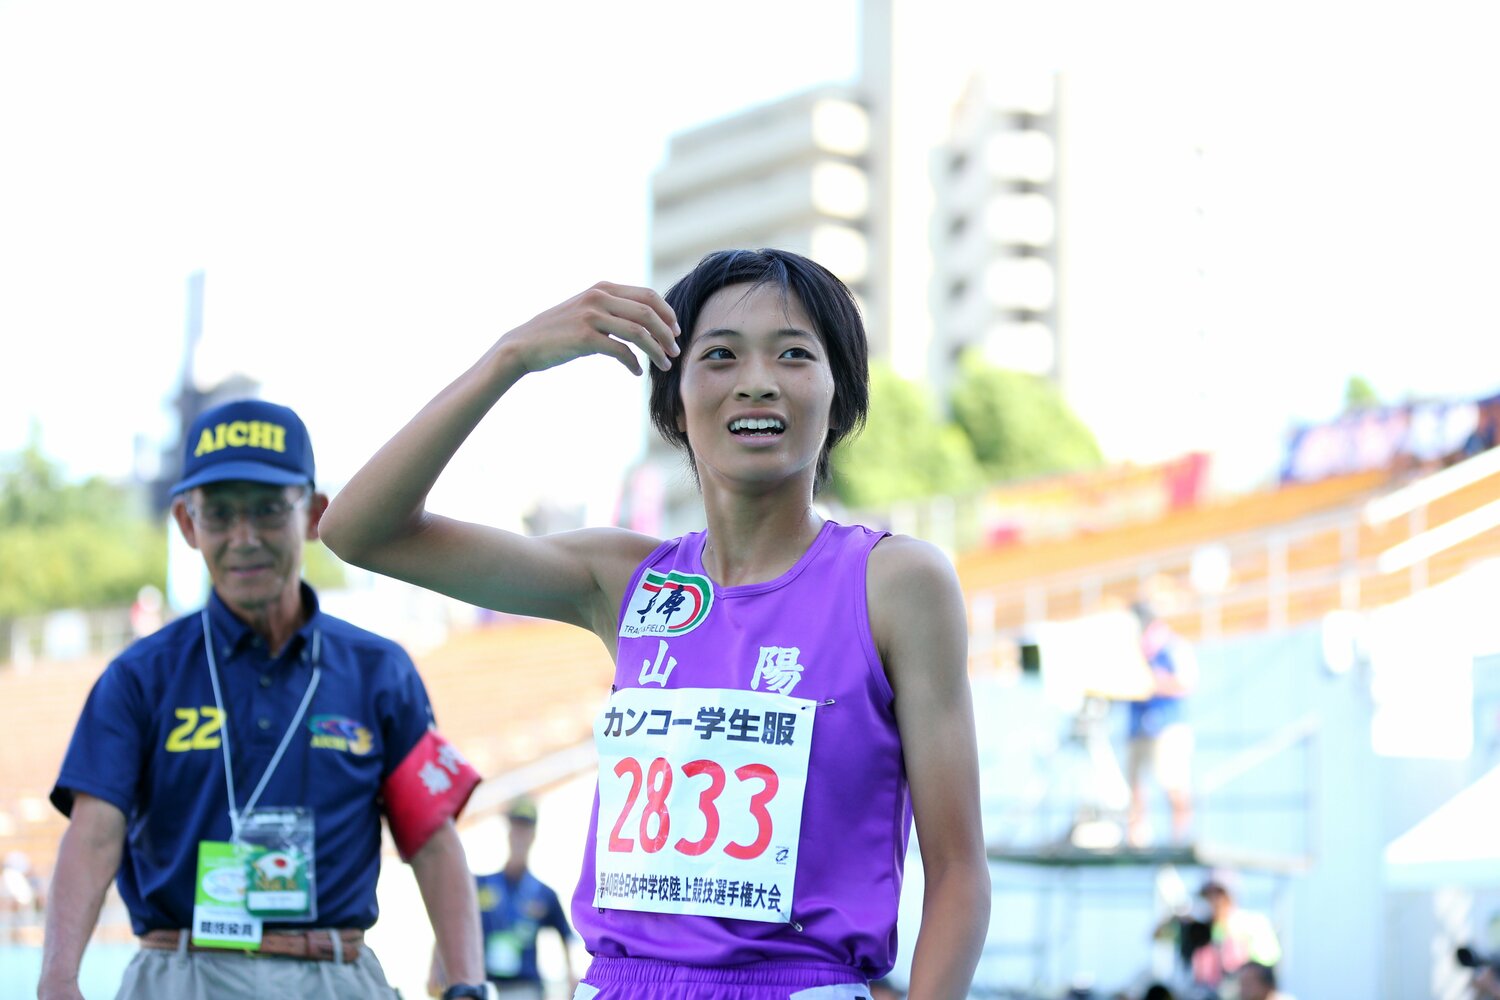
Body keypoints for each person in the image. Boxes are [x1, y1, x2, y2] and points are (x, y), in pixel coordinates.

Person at [321, 248, 992, 999]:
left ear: (840, 396)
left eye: (794, 354)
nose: (758, 381)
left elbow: (960, 868)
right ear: (673, 403)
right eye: (721, 356)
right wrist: (510, 358)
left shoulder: (897, 583)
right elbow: (359, 532)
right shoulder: (625, 580)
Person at [40, 399, 491, 1000]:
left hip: (334, 972)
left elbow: (433, 841)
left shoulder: (380, 670)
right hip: (180, 971)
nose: (244, 538)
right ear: (187, 523)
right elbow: (94, 834)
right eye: (220, 515)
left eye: (268, 511)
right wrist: (58, 979)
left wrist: (468, 984)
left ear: (313, 514)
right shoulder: (138, 677)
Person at [431, 797, 577, 999]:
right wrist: (436, 968)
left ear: (533, 835)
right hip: (486, 985)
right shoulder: (482, 884)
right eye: (516, 827)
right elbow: (452, 921)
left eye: (525, 829)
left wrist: (571, 976)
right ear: (508, 831)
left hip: (526, 987)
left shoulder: (544, 893)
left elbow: (566, 935)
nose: (520, 836)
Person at [1125, 589, 1197, 847]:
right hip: (1137, 728)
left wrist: (1152, 682)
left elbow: (1185, 683)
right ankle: (1136, 839)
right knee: (1134, 788)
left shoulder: (1173, 647)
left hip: (1168, 727)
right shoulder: (1131, 651)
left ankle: (1179, 841)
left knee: (1174, 785)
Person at [1187, 873, 1281, 990]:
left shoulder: (1253, 923)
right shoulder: (1202, 928)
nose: (1213, 901)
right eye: (1208, 895)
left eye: (1218, 895)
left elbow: (1268, 962)